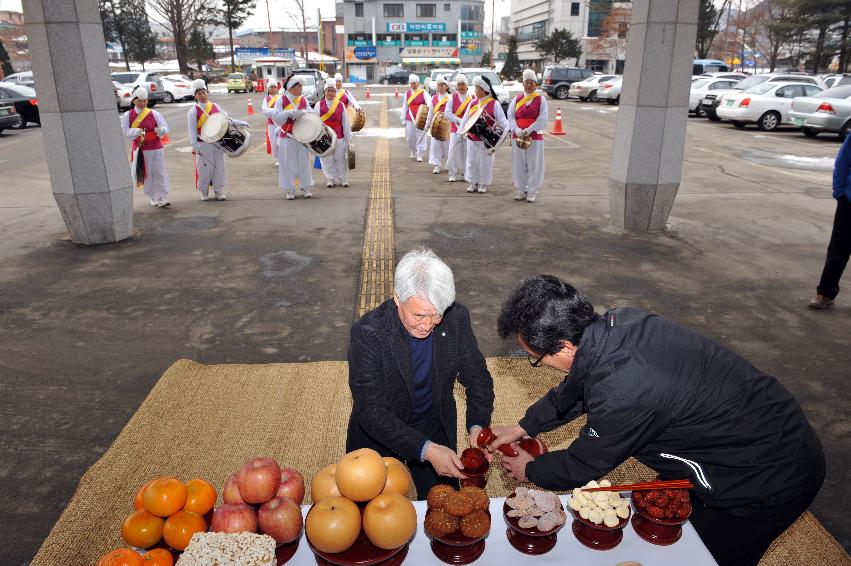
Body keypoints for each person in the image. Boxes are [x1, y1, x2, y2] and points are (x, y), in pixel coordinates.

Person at [491, 275, 825, 566]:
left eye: (536, 359)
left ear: (564, 347)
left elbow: (584, 463)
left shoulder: (624, 390)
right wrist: (526, 426)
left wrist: (531, 469)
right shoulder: (618, 323)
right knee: (672, 524)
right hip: (758, 425)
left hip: (765, 475)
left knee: (707, 555)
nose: (540, 365)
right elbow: (578, 385)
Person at [346, 248, 495, 498]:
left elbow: (477, 377)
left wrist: (478, 426)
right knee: (377, 518)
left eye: (436, 315)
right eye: (418, 315)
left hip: (432, 424)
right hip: (380, 433)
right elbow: (371, 410)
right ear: (396, 298)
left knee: (446, 505)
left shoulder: (456, 317)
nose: (427, 325)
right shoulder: (368, 333)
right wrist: (426, 450)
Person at [187, 79, 248, 201]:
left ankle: (219, 190)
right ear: (195, 96)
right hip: (203, 144)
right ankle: (204, 191)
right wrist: (195, 145)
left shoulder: (215, 106)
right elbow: (192, 130)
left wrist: (238, 123)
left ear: (207, 92)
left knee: (219, 167)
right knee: (204, 168)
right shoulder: (193, 111)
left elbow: (226, 119)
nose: (202, 95)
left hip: (219, 142)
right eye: (199, 93)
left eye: (204, 92)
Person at [809, 133, 851, 309]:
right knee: (838, 249)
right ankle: (825, 293)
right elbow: (842, 160)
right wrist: (839, 191)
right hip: (849, 201)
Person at [120, 86, 171, 208]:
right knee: (147, 173)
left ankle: (162, 196)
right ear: (134, 101)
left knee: (159, 171)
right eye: (140, 100)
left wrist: (161, 130)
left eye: (145, 100)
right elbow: (125, 131)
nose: (142, 103)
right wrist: (136, 132)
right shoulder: (128, 115)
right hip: (141, 149)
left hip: (156, 147)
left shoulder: (154, 113)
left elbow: (165, 128)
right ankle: (153, 196)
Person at [460, 75, 508, 194]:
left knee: (485, 162)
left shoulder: (494, 103)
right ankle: (473, 182)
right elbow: (465, 119)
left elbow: (502, 121)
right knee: (471, 161)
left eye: (477, 88)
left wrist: (503, 133)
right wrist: (461, 132)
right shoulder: (472, 103)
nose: (475, 90)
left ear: (483, 89)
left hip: (486, 139)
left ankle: (483, 183)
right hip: (472, 138)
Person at [507, 69, 548, 203]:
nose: (529, 85)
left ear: (535, 84)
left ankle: (532, 191)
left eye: (531, 83)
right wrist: (516, 129)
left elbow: (543, 118)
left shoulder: (540, 99)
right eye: (526, 83)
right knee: (518, 164)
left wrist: (530, 129)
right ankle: (521, 190)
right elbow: (511, 116)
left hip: (534, 136)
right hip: (518, 136)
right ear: (523, 84)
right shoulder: (517, 99)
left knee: (533, 164)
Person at [272, 74, 314, 200]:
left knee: (303, 163)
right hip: (287, 136)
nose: (301, 89)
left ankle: (306, 187)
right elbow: (276, 117)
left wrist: (303, 113)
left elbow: (312, 114)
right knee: (287, 164)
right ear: (291, 88)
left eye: (301, 87)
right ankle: (289, 189)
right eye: (299, 86)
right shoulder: (281, 100)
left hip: (301, 137)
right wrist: (288, 112)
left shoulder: (303, 100)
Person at [314, 78, 351, 188]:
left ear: (335, 92)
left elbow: (345, 122)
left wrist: (348, 137)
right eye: (328, 90)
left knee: (340, 158)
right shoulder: (318, 105)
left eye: (333, 91)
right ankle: (330, 179)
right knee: (327, 159)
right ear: (324, 92)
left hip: (339, 136)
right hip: (324, 137)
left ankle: (343, 178)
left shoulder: (341, 105)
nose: (330, 93)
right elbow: (315, 122)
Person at [445, 74, 472, 184]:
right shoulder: (452, 97)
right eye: (459, 85)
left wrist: (465, 124)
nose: (461, 87)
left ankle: (465, 173)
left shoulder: (472, 98)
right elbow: (447, 113)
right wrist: (459, 120)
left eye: (463, 85)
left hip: (468, 130)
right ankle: (452, 173)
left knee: (466, 151)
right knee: (453, 150)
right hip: (454, 129)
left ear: (467, 86)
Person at [400, 74, 431, 162]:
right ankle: (413, 150)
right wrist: (403, 119)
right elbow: (405, 106)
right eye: (411, 83)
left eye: (414, 83)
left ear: (418, 83)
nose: (412, 85)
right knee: (410, 137)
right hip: (410, 118)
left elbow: (429, 103)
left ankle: (419, 154)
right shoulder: (408, 93)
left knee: (420, 136)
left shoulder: (423, 92)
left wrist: (428, 115)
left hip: (421, 118)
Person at [426, 75, 451, 175]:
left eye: (442, 85)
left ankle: (449, 164)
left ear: (446, 87)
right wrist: (427, 124)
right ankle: (436, 165)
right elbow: (431, 112)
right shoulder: (434, 98)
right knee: (436, 145)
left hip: (447, 125)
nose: (440, 87)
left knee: (448, 146)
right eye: (439, 85)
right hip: (436, 125)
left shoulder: (450, 98)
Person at [261, 79, 281, 167]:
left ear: (277, 88)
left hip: (281, 123)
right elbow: (264, 111)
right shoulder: (266, 99)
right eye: (271, 87)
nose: (273, 89)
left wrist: (272, 111)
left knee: (282, 141)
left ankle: (284, 158)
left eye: (275, 87)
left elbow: (283, 109)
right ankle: (277, 159)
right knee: (273, 141)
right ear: (268, 89)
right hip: (271, 124)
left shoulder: (280, 98)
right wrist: (276, 111)